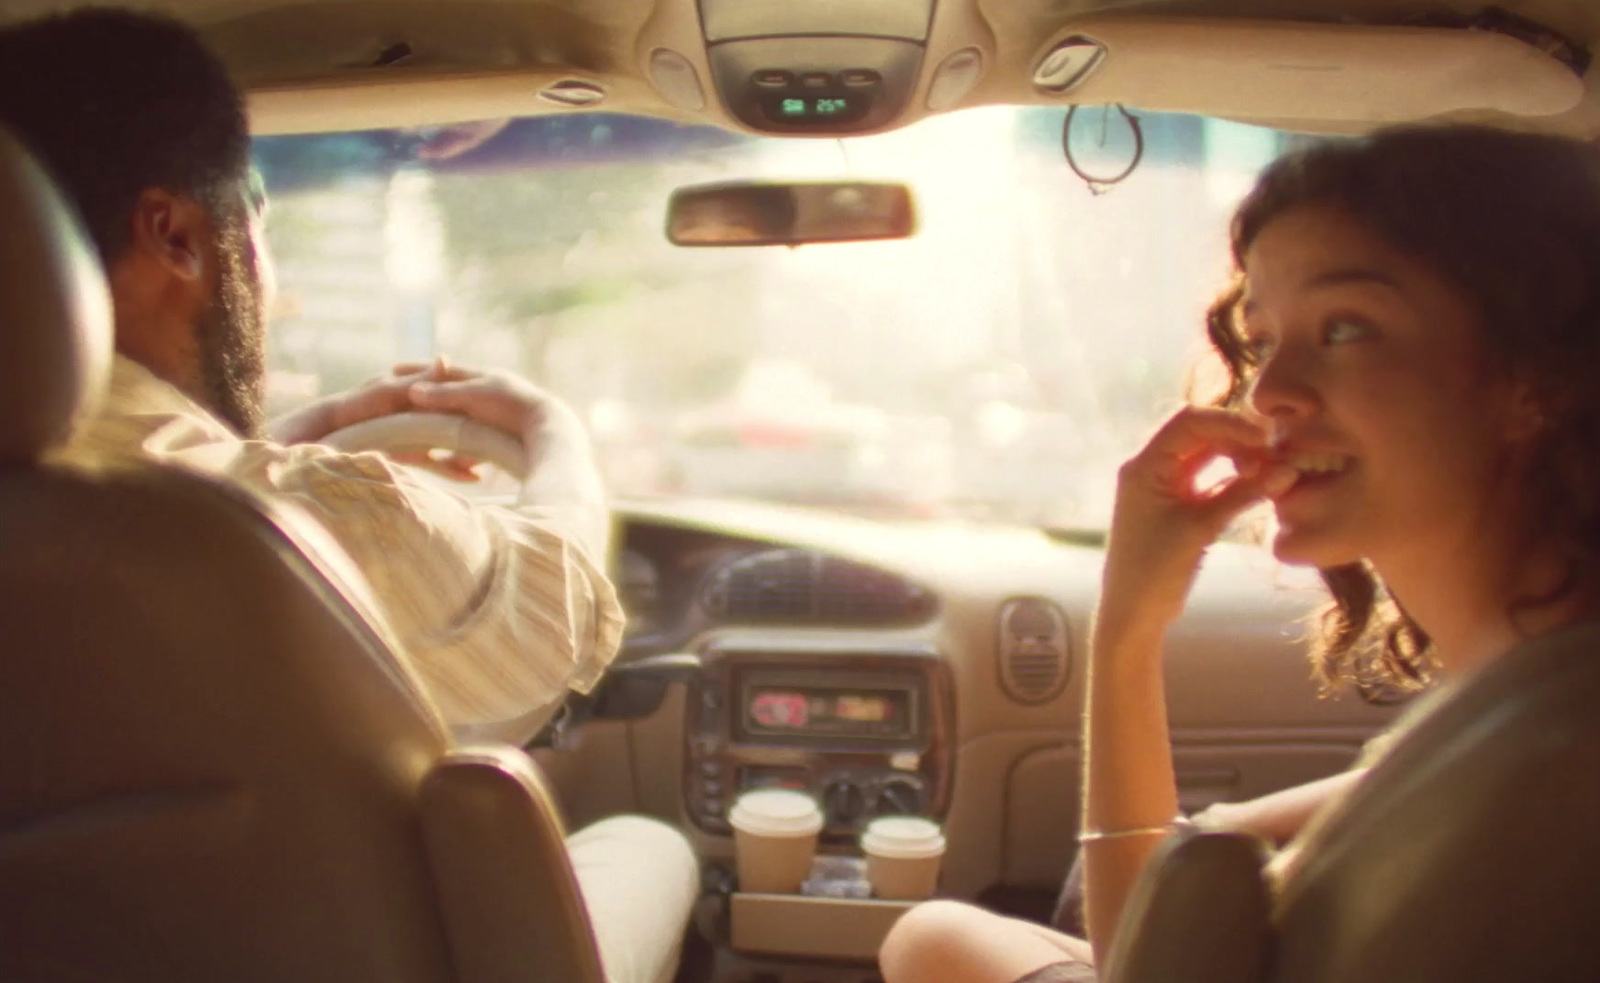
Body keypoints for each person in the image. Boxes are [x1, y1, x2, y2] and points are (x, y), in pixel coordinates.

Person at [0, 10, 695, 983]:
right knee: (652, 843)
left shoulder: (207, 508)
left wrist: (267, 448)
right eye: (257, 215)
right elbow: (555, 616)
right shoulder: (298, 516)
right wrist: (553, 438)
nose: (271, 285)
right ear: (176, 234)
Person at [879, 123, 1600, 983]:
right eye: (1261, 341)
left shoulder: (1538, 756)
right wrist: (1230, 827)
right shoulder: (1517, 710)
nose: (1270, 391)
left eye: (1345, 329)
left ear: (1539, 378)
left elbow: (1140, 960)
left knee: (929, 941)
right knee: (936, 936)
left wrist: (1129, 625)